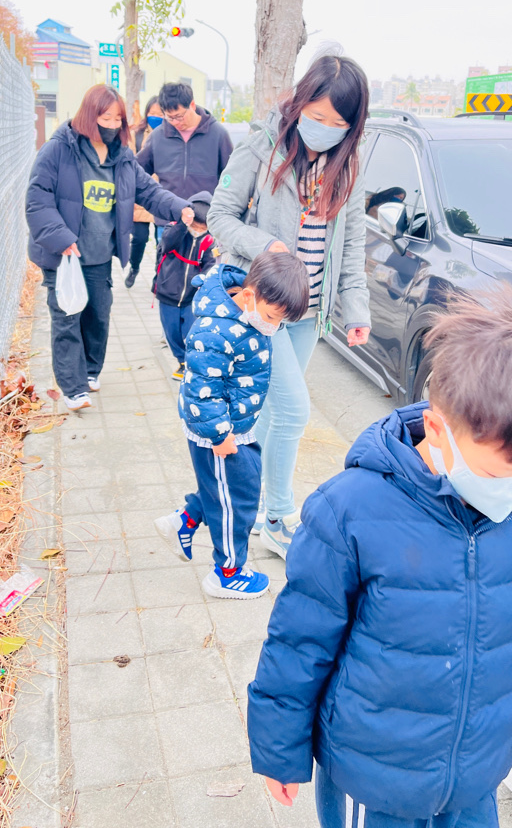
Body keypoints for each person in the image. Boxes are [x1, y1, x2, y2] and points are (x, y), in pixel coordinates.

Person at [247, 288, 512, 828]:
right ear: (436, 430)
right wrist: (279, 748)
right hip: (374, 776)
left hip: (475, 770)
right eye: (493, 474)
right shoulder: (349, 511)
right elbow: (300, 639)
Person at [208, 54, 371, 559]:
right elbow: (219, 216)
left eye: (336, 124)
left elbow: (352, 245)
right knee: (294, 411)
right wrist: (266, 246)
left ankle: (247, 504)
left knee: (265, 412)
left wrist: (356, 310)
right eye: (316, 117)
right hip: (264, 309)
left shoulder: (348, 164)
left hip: (309, 314)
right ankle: (278, 516)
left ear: (351, 127)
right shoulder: (262, 144)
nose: (323, 130)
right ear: (299, 104)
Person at [26, 84, 194, 410]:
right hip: (64, 255)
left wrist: (180, 208)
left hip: (99, 253)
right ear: (89, 116)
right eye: (106, 118)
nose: (113, 125)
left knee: (98, 318)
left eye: (118, 119)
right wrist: (61, 238)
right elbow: (37, 199)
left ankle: (90, 371)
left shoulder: (122, 157)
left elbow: (148, 192)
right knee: (67, 319)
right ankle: (73, 388)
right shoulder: (59, 149)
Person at [153, 252, 309, 600]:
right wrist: (220, 435)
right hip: (219, 432)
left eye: (280, 322)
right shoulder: (215, 330)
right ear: (249, 296)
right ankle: (227, 572)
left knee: (232, 489)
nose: (273, 327)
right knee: (234, 503)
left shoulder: (248, 315)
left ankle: (185, 521)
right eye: (271, 317)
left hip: (237, 425)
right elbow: (202, 390)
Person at [137, 82, 233, 241]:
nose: (175, 122)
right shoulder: (157, 136)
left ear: (192, 105)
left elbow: (231, 178)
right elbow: (138, 173)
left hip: (205, 223)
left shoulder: (218, 134)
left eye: (179, 116)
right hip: (169, 222)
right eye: (170, 117)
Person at [154, 191, 216, 381]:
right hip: (168, 292)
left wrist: (204, 280)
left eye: (203, 227)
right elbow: (166, 244)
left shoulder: (209, 240)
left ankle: (192, 363)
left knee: (191, 331)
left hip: (192, 296)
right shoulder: (173, 229)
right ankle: (181, 361)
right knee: (172, 333)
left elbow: (211, 263)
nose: (198, 230)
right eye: (195, 226)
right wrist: (183, 225)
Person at [125, 95, 164, 288]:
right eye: (152, 113)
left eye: (159, 114)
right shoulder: (136, 134)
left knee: (162, 242)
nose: (155, 117)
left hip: (162, 195)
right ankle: (134, 267)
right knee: (139, 238)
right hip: (141, 195)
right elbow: (130, 162)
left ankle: (158, 276)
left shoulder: (171, 136)